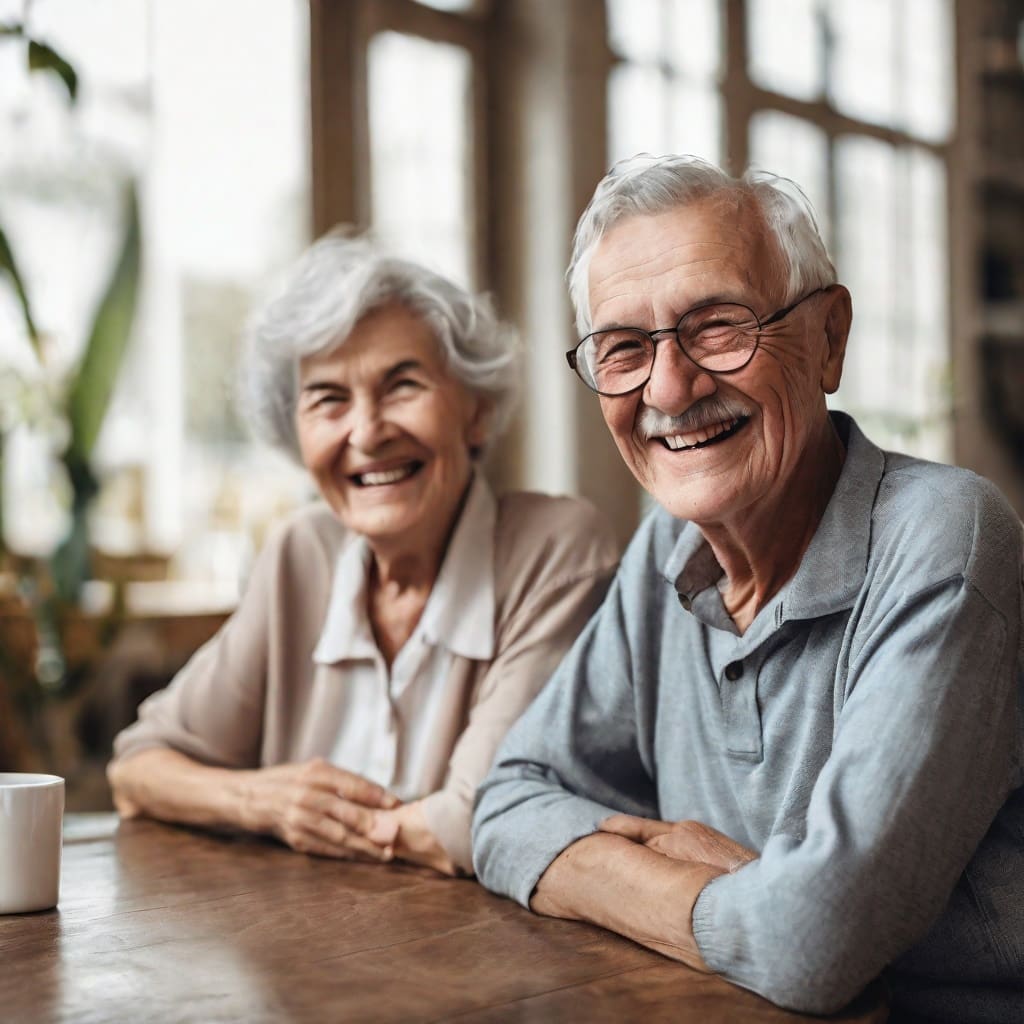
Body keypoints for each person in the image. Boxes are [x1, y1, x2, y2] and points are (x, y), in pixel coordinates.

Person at [472, 154, 1024, 1021]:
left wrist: (610, 870)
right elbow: (504, 806)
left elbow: (814, 944)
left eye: (719, 326)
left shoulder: (948, 536)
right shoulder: (669, 544)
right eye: (623, 347)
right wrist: (700, 879)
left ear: (829, 338)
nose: (670, 387)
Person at [108, 231, 618, 877]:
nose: (368, 432)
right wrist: (265, 800)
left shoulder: (556, 549)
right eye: (329, 399)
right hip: (308, 956)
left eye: (402, 385)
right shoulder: (301, 554)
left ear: (477, 411)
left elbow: (483, 819)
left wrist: (323, 822)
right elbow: (139, 767)